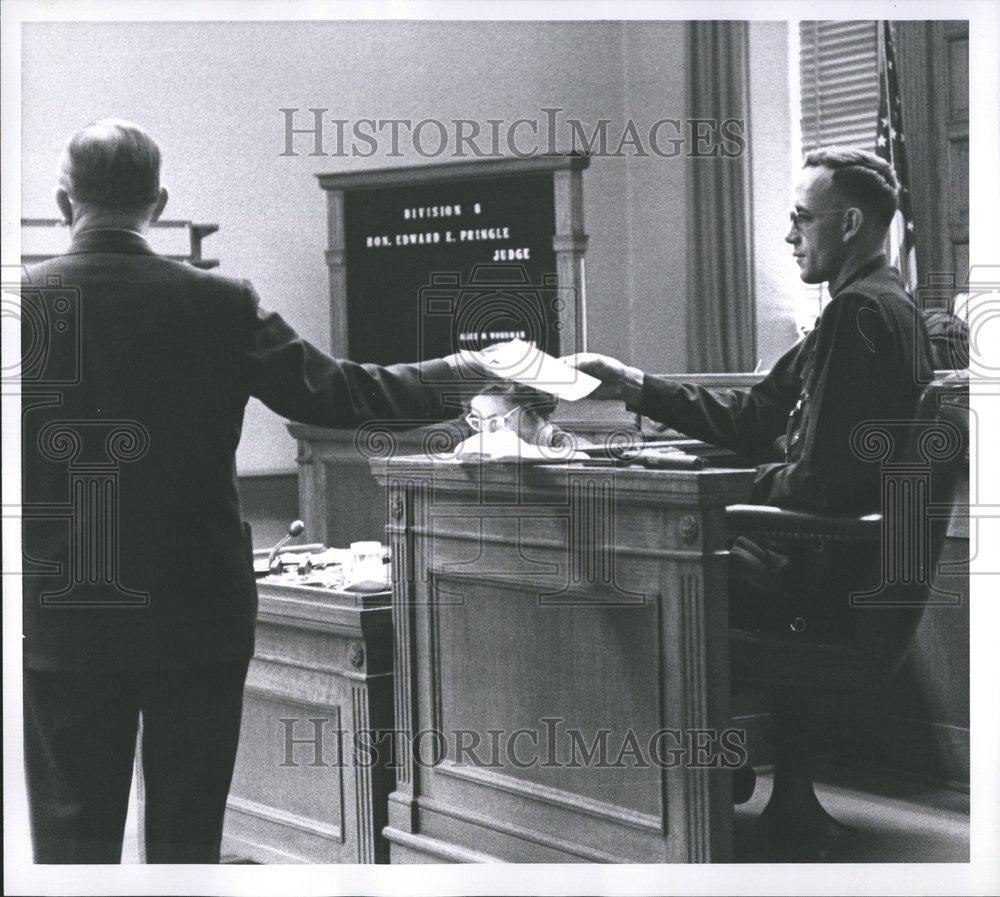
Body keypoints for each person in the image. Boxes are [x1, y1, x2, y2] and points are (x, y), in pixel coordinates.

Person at [19, 119, 475, 863]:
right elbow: (339, 393)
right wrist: (460, 370)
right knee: (188, 836)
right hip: (196, 613)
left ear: (63, 201)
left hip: (64, 615)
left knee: (73, 842)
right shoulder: (222, 303)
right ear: (158, 204)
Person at [564, 147, 936, 642]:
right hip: (829, 565)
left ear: (849, 224)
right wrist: (634, 386)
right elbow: (756, 416)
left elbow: (821, 483)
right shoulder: (878, 303)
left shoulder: (859, 314)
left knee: (602, 569)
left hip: (813, 581)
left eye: (802, 219)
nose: (789, 235)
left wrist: (714, 478)